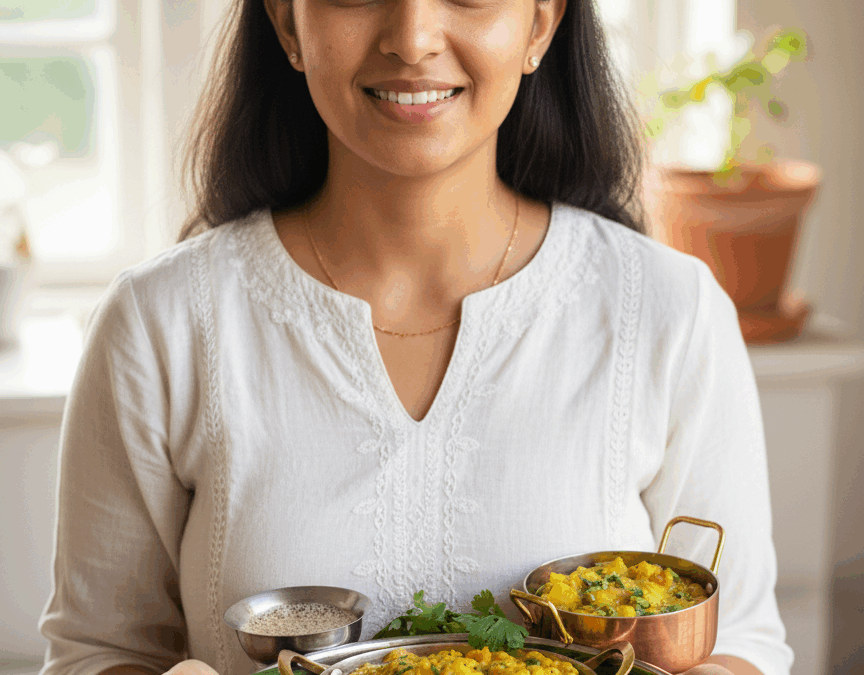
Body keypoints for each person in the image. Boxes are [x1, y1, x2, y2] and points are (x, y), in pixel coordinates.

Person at [38, 0, 793, 675]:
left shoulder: (668, 310)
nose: (412, 35)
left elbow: (746, 639)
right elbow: (98, 651)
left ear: (540, 23)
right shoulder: (160, 323)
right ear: (286, 23)